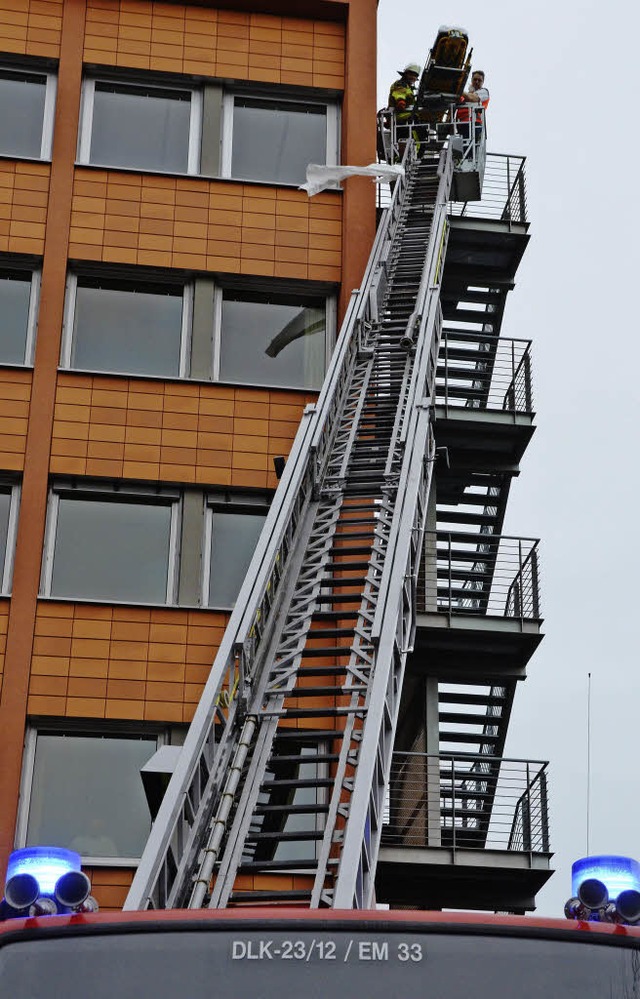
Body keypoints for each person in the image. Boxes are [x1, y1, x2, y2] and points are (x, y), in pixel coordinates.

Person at [388, 63, 421, 157]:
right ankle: (409, 156)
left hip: (406, 119)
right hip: (402, 119)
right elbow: (399, 94)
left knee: (418, 137)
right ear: (405, 74)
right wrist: (401, 101)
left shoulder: (408, 87)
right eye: (411, 74)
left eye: (415, 76)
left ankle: (414, 155)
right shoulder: (401, 84)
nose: (413, 77)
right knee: (409, 139)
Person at [457, 70, 490, 145]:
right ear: (471, 80)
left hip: (474, 124)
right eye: (475, 79)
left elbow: (472, 98)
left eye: (479, 80)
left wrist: (458, 90)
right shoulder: (463, 96)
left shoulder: (484, 92)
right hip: (461, 125)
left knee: (469, 150)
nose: (477, 82)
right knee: (461, 150)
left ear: (483, 82)